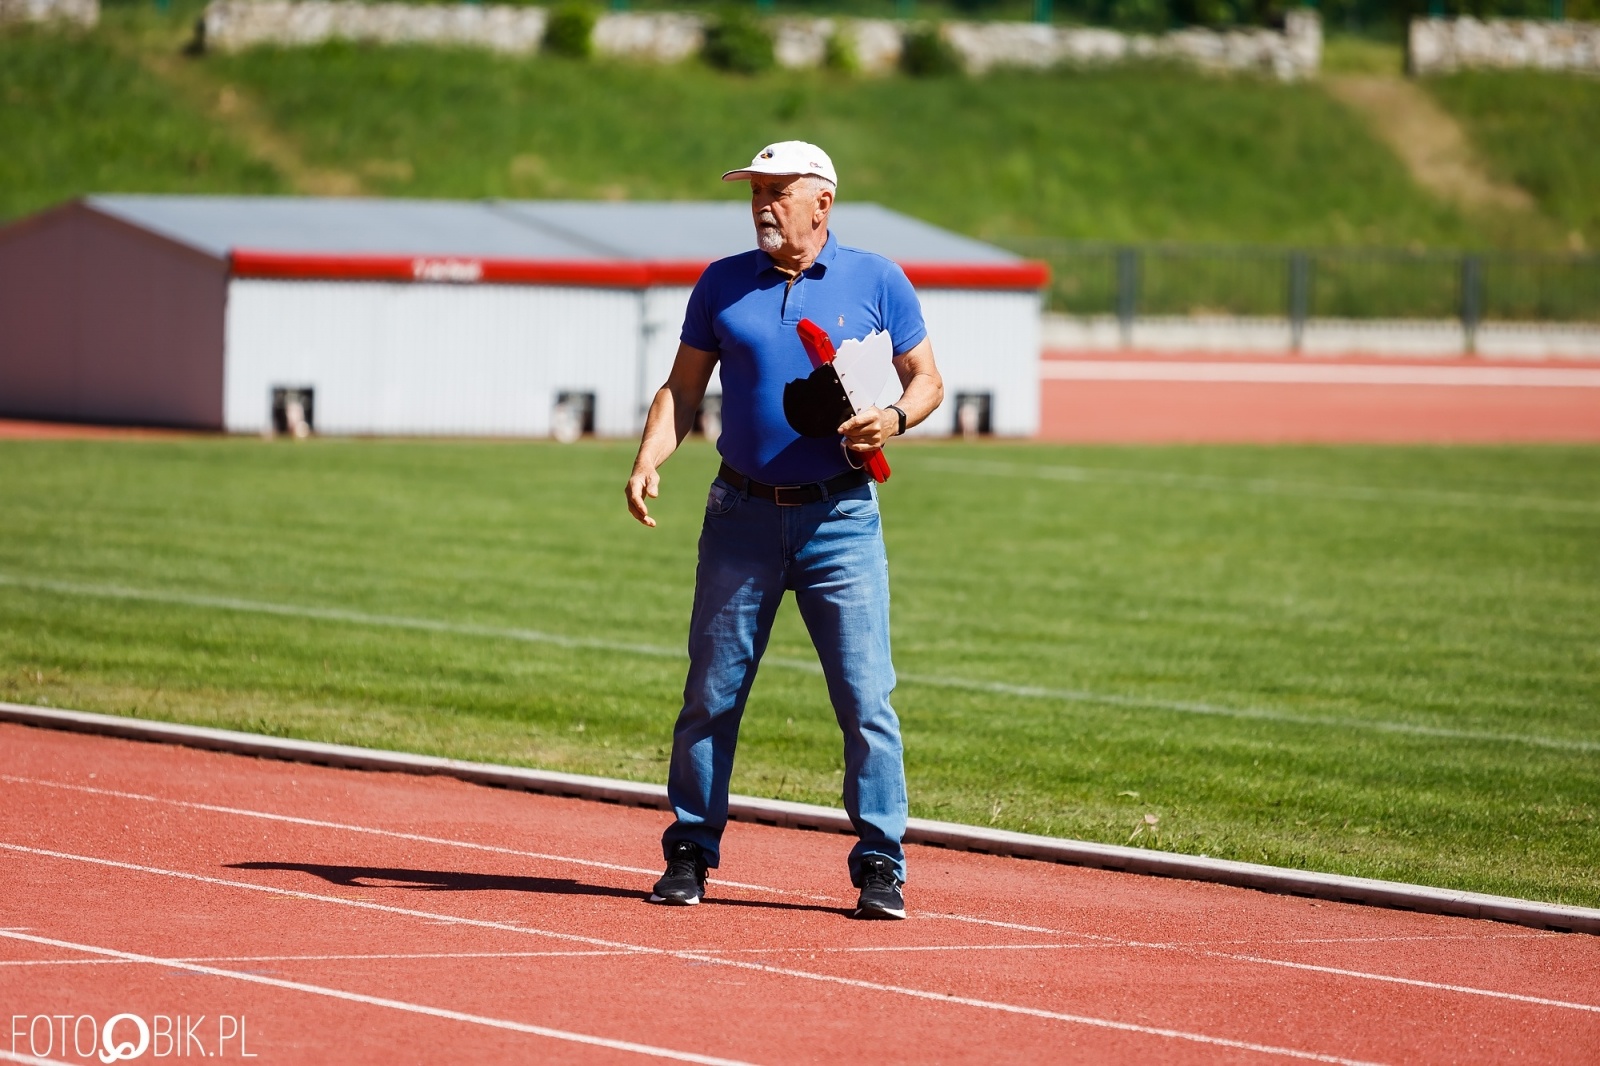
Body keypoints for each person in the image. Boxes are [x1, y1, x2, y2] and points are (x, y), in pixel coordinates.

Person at [624, 141, 944, 920]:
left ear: (821, 202)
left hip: (841, 521)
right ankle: (690, 851)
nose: (762, 205)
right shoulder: (721, 282)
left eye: (777, 191)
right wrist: (649, 455)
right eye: (755, 192)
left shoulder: (878, 279)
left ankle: (880, 865)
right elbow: (683, 389)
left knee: (866, 699)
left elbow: (928, 380)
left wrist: (893, 418)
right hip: (739, 517)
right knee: (710, 694)